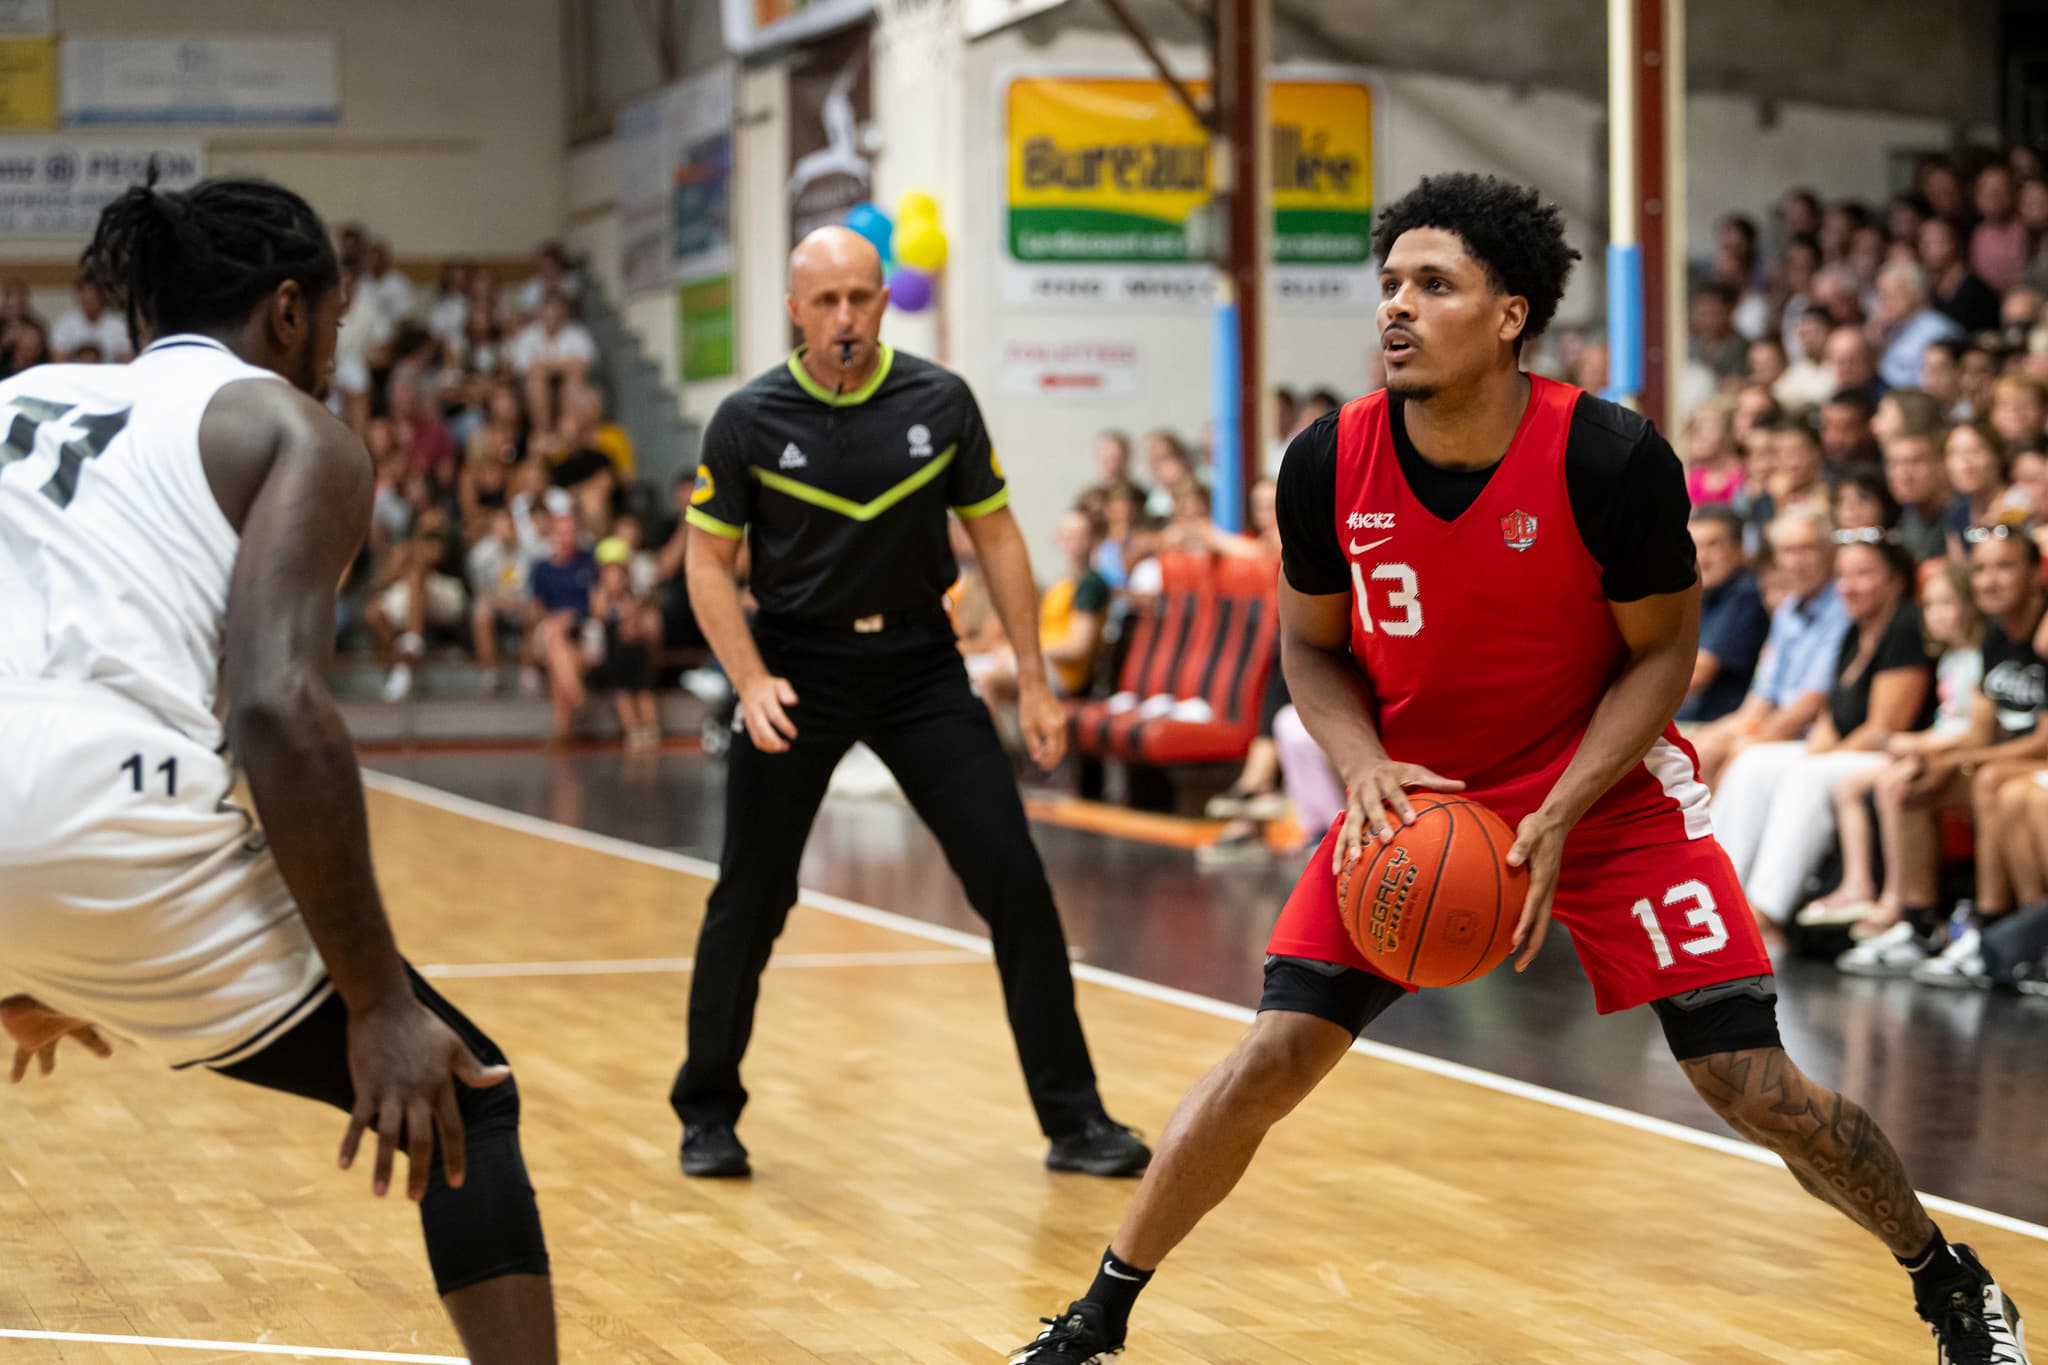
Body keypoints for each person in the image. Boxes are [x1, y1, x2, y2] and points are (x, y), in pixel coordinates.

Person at [1009, 172, 2028, 1365]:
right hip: (1419, 798)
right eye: (1386, 284)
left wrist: (1556, 809)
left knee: (1750, 1084)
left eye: (1431, 285)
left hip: (1602, 793)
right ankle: (1096, 1320)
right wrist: (1362, 767)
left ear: (1507, 315)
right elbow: (1307, 645)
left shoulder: (1609, 459)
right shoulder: (1323, 464)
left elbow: (1663, 656)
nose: (1394, 307)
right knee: (1267, 1057)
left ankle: (1944, 1279)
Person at [0, 174, 556, 1360]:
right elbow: (276, 707)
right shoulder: (293, 431)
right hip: (112, 816)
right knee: (461, 1095)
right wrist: (378, 1003)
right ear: (291, 311)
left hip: (45, 823)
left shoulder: (23, 394)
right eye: (336, 331)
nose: (332, 360)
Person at [671, 225, 1148, 1182]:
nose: (846, 318)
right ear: (795, 312)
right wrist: (750, 679)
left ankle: (1076, 1119)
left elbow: (1002, 539)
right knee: (751, 898)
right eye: (827, 302)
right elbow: (707, 562)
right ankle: (708, 1112)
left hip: (923, 668)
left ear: (884, 302)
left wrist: (1036, 675)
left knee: (1015, 883)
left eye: (862, 298)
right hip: (798, 671)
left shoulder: (942, 400)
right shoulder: (747, 419)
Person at [1712, 533, 1932, 930]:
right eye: (1843, 575)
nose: (1848, 586)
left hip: (1893, 752)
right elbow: (1831, 718)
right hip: (1850, 750)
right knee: (1754, 762)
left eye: (1863, 574)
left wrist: (1820, 758)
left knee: (1806, 775)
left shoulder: (1904, 627)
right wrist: (1818, 748)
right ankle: (1719, 893)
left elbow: (1884, 727)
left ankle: (1765, 910)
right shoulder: (1854, 630)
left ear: (1895, 580)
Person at [1808, 561, 1983, 935]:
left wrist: (1914, 743)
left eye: (1947, 604)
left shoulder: (1978, 658)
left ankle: (1896, 897)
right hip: (1933, 745)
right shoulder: (1950, 658)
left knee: (1893, 784)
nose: (1935, 615)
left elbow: (1974, 730)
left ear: (1970, 606)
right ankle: (1858, 883)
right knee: (1850, 785)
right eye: (1930, 605)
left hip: (1952, 751)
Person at [1690, 508, 1850, 789]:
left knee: (1735, 755)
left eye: (1806, 549)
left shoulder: (1844, 606)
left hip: (1811, 735)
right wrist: (1735, 729)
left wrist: (1751, 736)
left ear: (1830, 552)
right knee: (1697, 748)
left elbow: (1812, 703)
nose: (1795, 561)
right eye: (1787, 551)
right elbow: (1761, 696)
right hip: (1777, 725)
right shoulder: (1787, 610)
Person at [1678, 505, 1769, 723]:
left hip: (1720, 723)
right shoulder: (1700, 594)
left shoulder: (1745, 594)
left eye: (1713, 545)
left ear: (1738, 549)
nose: (1702, 557)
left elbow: (1697, 675)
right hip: (1692, 721)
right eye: (1695, 545)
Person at [49, 277, 133, 362]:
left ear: (101, 296)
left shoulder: (118, 324)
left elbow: (126, 361)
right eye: (84, 297)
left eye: (92, 297)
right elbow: (58, 360)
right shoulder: (65, 323)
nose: (88, 298)